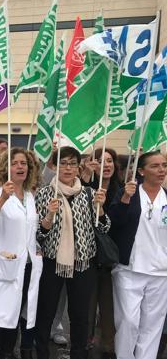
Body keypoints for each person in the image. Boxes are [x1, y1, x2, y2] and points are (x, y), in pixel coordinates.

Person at [34, 146, 109, 359]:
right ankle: (40, 353)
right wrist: (48, 217)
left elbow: (104, 229)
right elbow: (38, 235)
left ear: (79, 167)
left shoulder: (90, 194)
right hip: (52, 261)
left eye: (72, 163)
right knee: (45, 312)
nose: (68, 168)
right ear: (55, 167)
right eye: (63, 163)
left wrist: (101, 209)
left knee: (79, 315)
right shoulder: (44, 193)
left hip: (83, 263)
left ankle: (79, 353)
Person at [0, 147, 42, 359]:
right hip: (0, 267)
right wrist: (3, 197)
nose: (20, 166)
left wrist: (46, 220)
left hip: (25, 266)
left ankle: (5, 353)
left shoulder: (30, 196)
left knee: (13, 319)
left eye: (24, 163)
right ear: (6, 168)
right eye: (15, 163)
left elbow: (29, 229)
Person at [109, 151, 167, 359]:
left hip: (160, 272)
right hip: (129, 269)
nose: (161, 170)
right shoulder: (130, 193)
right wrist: (125, 198)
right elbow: (113, 223)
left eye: (164, 165)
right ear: (141, 171)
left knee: (152, 325)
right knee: (128, 321)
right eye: (155, 166)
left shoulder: (166, 196)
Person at [81, 148, 121, 359]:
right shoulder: (86, 188)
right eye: (101, 161)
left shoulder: (123, 190)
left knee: (109, 304)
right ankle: (84, 340)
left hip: (112, 256)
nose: (106, 165)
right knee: (87, 302)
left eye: (109, 161)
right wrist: (86, 179)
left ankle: (109, 344)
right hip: (88, 253)